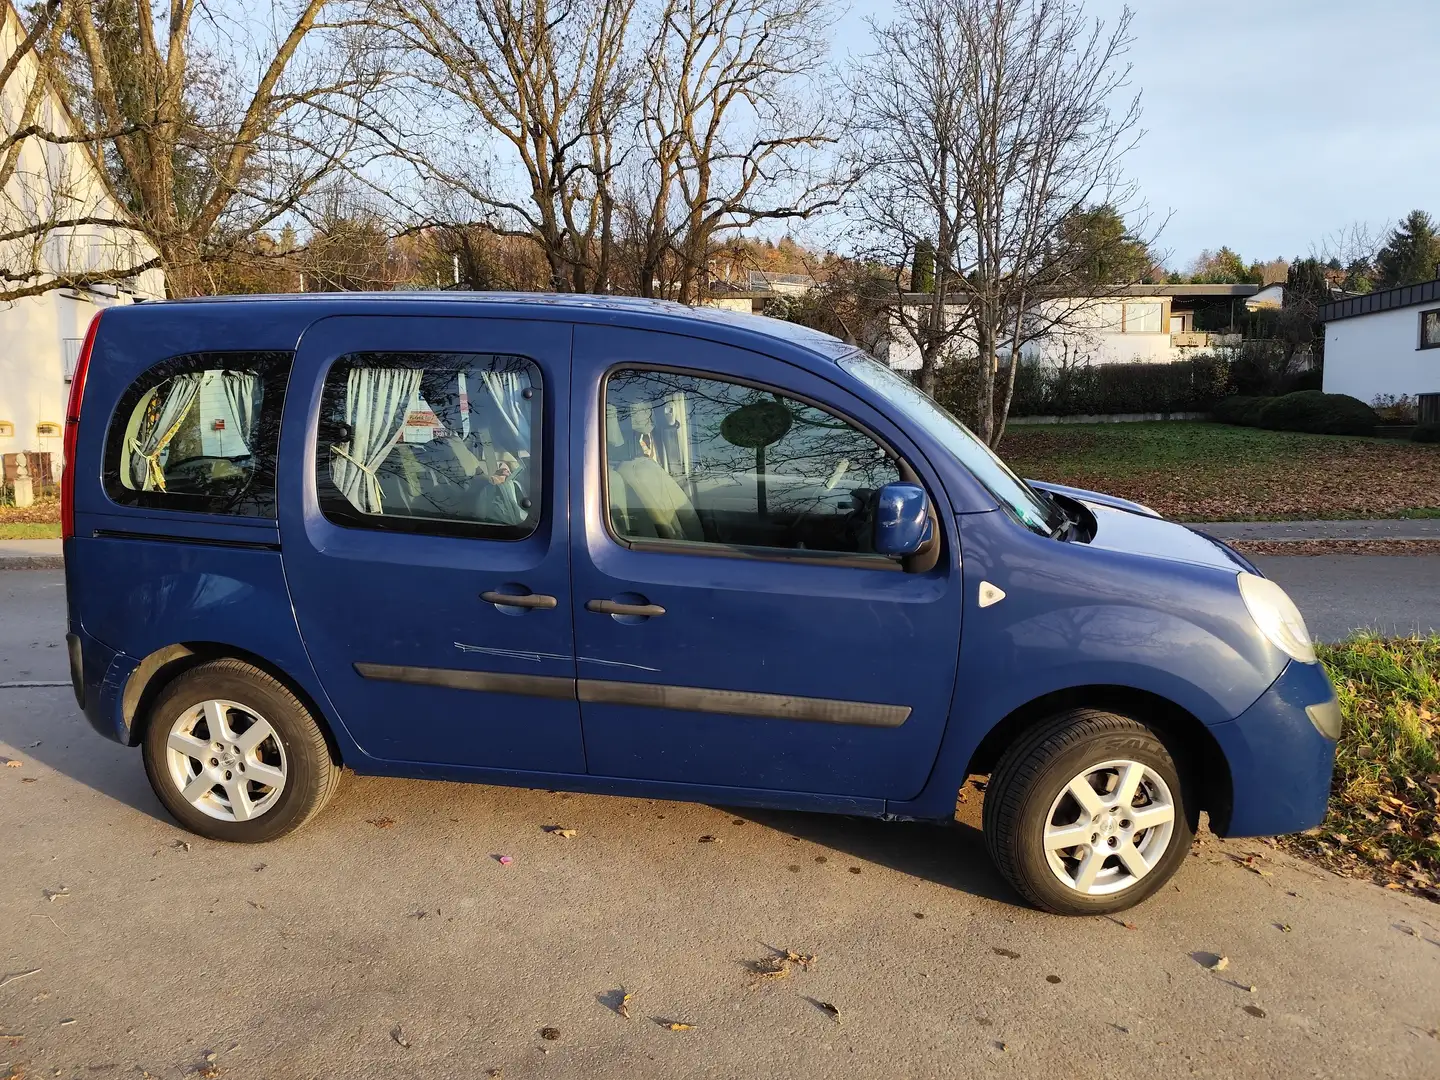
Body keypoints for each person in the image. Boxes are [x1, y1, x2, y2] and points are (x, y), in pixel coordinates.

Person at [473, 451, 527, 526]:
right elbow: (480, 516)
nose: (501, 466)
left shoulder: (516, 485)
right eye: (500, 468)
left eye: (505, 467)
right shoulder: (486, 490)